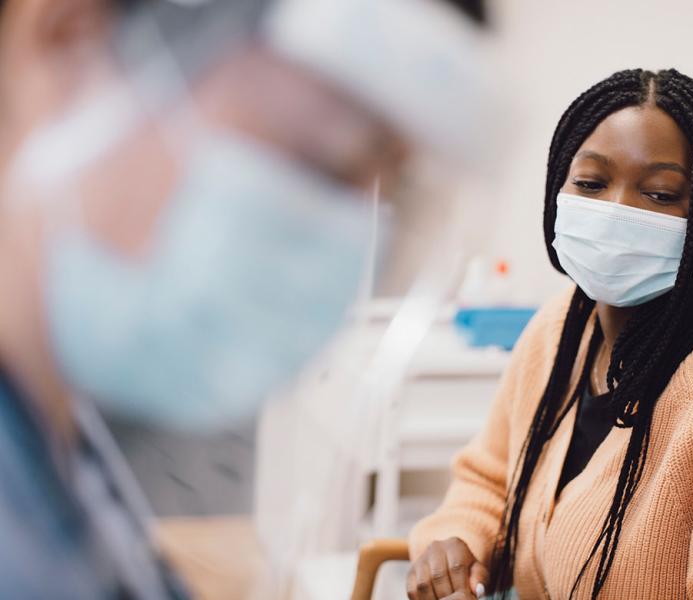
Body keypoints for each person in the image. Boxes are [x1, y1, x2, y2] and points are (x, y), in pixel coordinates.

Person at [0, 0, 496, 597]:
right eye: (323, 159)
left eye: (389, 183)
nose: (338, 238)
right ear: (68, 39)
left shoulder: (57, 440)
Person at [407, 69, 693, 600]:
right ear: (557, 190)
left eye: (660, 194)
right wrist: (455, 542)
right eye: (591, 184)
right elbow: (488, 480)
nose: (617, 212)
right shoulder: (562, 327)